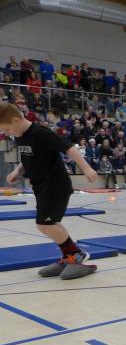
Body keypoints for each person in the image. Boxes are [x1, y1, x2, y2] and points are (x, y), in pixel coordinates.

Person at [0, 102, 98, 279]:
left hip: (55, 184)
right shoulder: (21, 135)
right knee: (51, 223)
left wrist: (86, 168)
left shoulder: (41, 133)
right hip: (41, 186)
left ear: (15, 120)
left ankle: (76, 255)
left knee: (44, 224)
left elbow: (69, 148)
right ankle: (69, 256)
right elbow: (29, 156)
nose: (6, 133)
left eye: (6, 129)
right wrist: (17, 171)